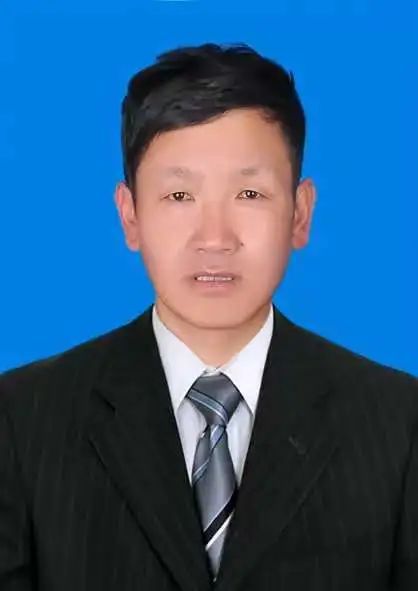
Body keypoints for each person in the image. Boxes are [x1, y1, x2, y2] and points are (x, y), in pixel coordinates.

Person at [0, 42, 417, 591]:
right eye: (179, 195)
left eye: (250, 192)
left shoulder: (399, 423)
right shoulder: (22, 419)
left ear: (300, 213)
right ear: (130, 215)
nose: (215, 238)